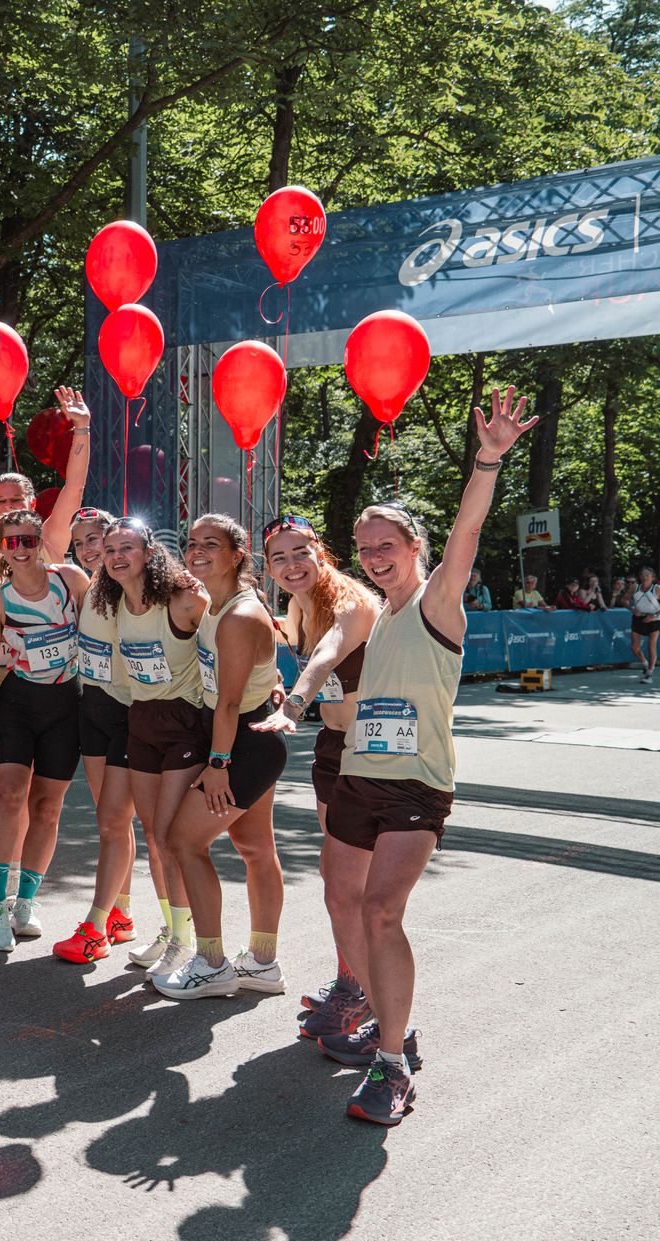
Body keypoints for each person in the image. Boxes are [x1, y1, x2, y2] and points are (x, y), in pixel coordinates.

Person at [326, 387, 535, 1126]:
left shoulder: (437, 600)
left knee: (382, 910)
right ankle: (388, 1015)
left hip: (416, 785)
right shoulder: (375, 613)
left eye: (389, 545)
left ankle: (392, 1064)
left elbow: (470, 531)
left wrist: (487, 458)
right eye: (366, 547)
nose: (376, 556)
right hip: (358, 778)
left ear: (415, 548)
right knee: (343, 903)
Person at [149, 514, 288, 1000]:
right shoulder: (215, 602)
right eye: (191, 544)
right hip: (245, 737)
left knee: (183, 842)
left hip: (242, 745)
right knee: (254, 850)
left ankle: (212, 965)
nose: (197, 550)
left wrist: (218, 764)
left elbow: (229, 702)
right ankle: (264, 964)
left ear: (237, 555)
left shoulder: (239, 616)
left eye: (211, 544)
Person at [255, 512, 380, 1039]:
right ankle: (352, 982)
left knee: (355, 886)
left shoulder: (351, 600)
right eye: (278, 557)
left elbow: (327, 655)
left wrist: (297, 702)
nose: (290, 565)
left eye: (299, 552)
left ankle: (370, 996)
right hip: (332, 748)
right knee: (337, 880)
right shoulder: (294, 605)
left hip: (371, 753)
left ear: (320, 552)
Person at [97, 517, 208, 977]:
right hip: (141, 720)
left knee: (168, 836)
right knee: (152, 835)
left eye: (127, 547)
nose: (118, 556)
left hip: (184, 722)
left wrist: (272, 683)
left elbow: (230, 630)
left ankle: (190, 942)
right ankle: (173, 930)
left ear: (148, 552)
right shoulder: (117, 603)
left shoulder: (183, 599)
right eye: (110, 550)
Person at [0, 508, 89, 952]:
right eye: (10, 542)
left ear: (40, 540)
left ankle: (25, 902)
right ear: (0, 547)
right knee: (7, 795)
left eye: (27, 540)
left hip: (66, 704)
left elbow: (114, 618)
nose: (19, 549)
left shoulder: (71, 581)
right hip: (17, 704)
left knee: (48, 806)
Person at [55, 508, 141, 963]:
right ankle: (120, 915)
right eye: (83, 543)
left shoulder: (137, 587)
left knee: (115, 820)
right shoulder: (83, 590)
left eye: (99, 539)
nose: (91, 549)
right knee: (111, 821)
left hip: (133, 713)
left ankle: (96, 927)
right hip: (92, 708)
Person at [631, 567, 659, 682]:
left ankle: (649, 674)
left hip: (655, 618)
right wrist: (633, 610)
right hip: (638, 619)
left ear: (653, 577)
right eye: (643, 574)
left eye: (647, 575)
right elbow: (624, 600)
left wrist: (653, 615)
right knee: (634, 647)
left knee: (651, 645)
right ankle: (644, 663)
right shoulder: (634, 587)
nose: (645, 577)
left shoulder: (657, 589)